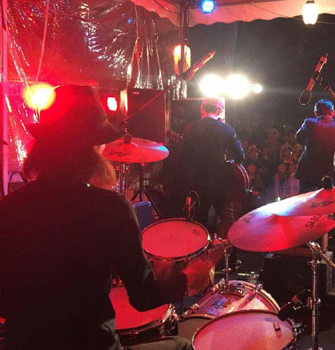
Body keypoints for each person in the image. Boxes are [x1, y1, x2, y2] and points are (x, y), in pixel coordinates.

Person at [0, 85, 217, 350]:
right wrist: (188, 280)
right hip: (89, 346)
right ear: (92, 149)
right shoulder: (110, 208)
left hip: (21, 344)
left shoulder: (10, 205)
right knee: (181, 345)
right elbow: (143, 296)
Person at [179, 98, 245, 239]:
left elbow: (183, 156)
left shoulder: (190, 128)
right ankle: (230, 250)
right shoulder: (227, 129)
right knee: (227, 220)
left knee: (198, 222)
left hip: (197, 181)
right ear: (219, 111)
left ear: (202, 108)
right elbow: (240, 156)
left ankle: (200, 249)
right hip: (220, 182)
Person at [295, 99, 335, 193]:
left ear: (316, 112)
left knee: (305, 198)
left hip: (308, 169)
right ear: (332, 112)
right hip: (328, 169)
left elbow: (299, 138)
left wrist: (309, 143)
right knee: (329, 197)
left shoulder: (309, 122)